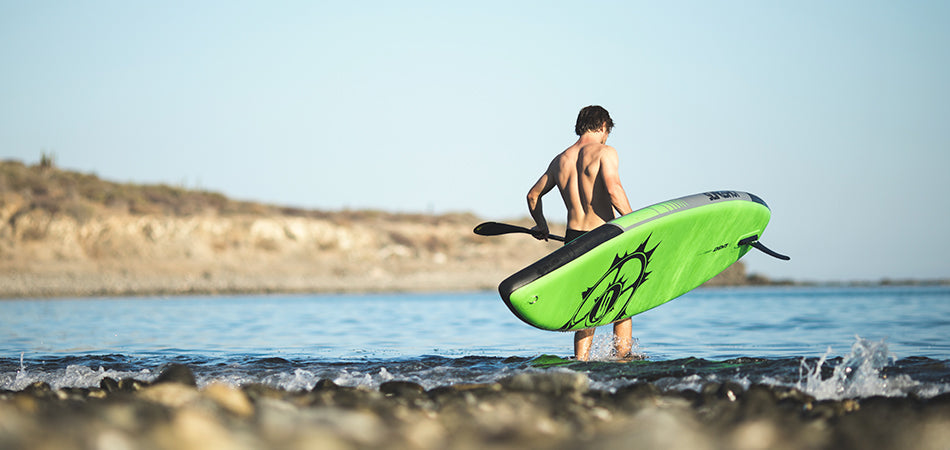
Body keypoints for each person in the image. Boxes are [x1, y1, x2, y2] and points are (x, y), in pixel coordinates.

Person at [526, 105, 634, 361]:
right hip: (603, 236)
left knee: (587, 303)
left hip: (573, 240)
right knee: (623, 299)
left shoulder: (560, 160)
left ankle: (581, 361)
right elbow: (614, 190)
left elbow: (533, 195)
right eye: (607, 132)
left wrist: (541, 225)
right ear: (603, 126)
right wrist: (637, 222)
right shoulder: (605, 152)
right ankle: (624, 360)